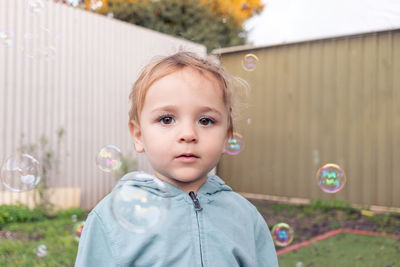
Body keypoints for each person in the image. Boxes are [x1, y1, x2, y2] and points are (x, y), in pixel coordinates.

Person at [75, 51, 279, 267]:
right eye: (166, 119)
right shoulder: (110, 219)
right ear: (138, 135)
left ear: (226, 136)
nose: (188, 133)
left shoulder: (246, 218)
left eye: (206, 120)